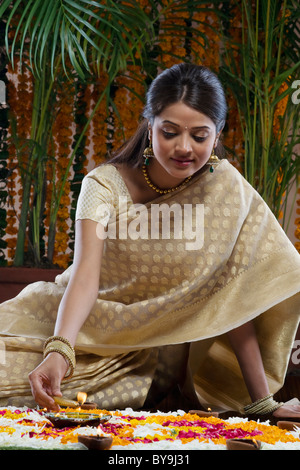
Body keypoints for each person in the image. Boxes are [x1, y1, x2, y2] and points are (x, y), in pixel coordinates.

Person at [0, 63, 300, 422]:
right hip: (72, 326)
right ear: (149, 124)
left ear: (217, 135)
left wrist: (263, 402)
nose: (183, 147)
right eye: (169, 132)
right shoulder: (103, 186)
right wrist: (60, 350)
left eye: (200, 136)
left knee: (49, 404)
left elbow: (234, 297)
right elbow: (84, 276)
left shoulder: (226, 191)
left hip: (147, 356)